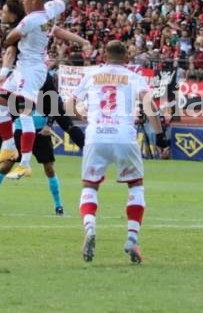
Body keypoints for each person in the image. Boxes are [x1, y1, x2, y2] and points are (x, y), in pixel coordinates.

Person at [0, 0, 104, 178]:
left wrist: (11, 34)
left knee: (27, 112)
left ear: (34, 0)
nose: (23, 0)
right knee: (0, 101)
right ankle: (8, 147)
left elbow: (9, 41)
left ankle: (24, 162)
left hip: (32, 69)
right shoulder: (51, 8)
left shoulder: (30, 20)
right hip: (25, 68)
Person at [66, 40, 168, 264]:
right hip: (123, 136)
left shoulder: (93, 75)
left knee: (90, 185)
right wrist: (160, 136)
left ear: (104, 55)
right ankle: (132, 238)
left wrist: (82, 116)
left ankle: (90, 228)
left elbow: (68, 104)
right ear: (126, 58)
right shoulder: (133, 76)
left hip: (96, 135)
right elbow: (150, 103)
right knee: (135, 185)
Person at [0, 109, 65, 214]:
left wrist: (48, 125)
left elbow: (53, 105)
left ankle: (59, 206)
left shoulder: (45, 93)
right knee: (5, 167)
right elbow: (9, 110)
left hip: (41, 131)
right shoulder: (19, 94)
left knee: (49, 169)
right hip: (21, 131)